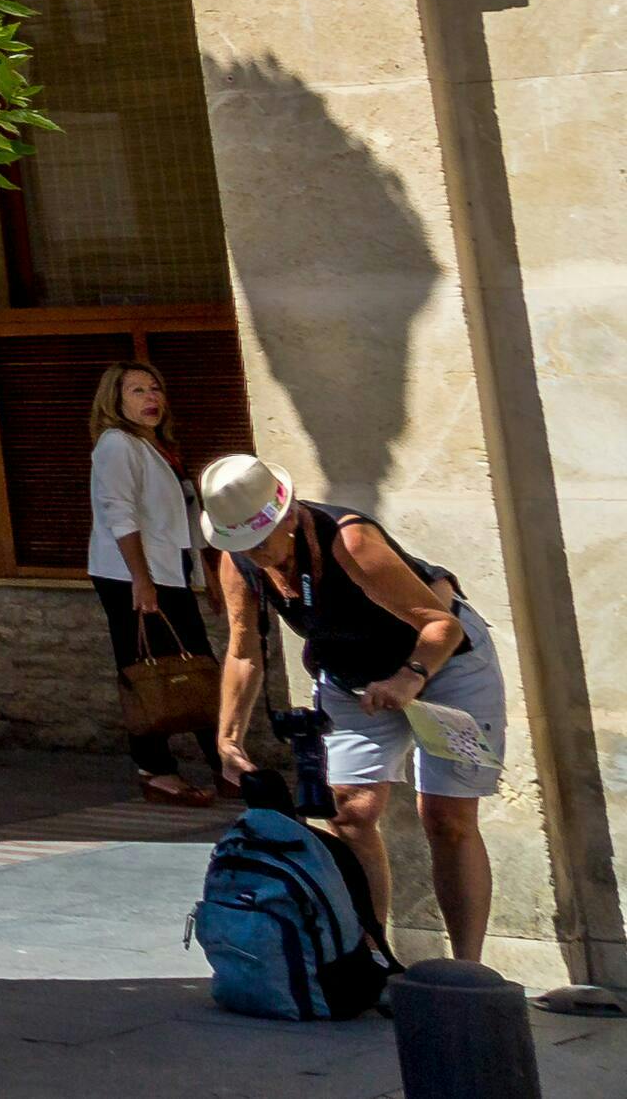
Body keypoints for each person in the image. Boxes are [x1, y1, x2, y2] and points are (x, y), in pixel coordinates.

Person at [203, 451, 511, 966]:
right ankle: (372, 958)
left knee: (446, 818)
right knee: (347, 811)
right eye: (240, 545)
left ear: (288, 515)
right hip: (350, 677)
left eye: (261, 542)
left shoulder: (350, 542)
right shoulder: (240, 562)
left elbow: (443, 627)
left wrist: (407, 679)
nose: (256, 555)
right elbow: (243, 650)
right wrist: (228, 737)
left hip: (443, 667)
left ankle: (467, 973)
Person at [87, 363, 220, 803]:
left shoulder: (158, 448)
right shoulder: (116, 445)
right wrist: (140, 580)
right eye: (137, 390)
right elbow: (118, 513)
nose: (151, 398)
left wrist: (209, 574)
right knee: (143, 670)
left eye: (155, 388)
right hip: (131, 575)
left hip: (169, 572)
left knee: (197, 663)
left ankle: (225, 761)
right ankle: (156, 770)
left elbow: (187, 518)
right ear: (116, 401)